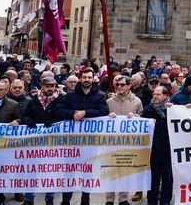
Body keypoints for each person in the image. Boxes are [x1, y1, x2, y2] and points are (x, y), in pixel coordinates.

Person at [54, 69, 108, 205]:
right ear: (80, 78)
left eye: (89, 77)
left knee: (88, 172)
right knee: (69, 172)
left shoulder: (100, 96)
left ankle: (85, 200)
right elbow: (58, 111)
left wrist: (85, 113)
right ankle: (66, 201)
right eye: (84, 77)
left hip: (90, 142)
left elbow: (104, 111)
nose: (87, 80)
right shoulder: (70, 96)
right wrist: (72, 114)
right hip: (71, 141)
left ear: (93, 79)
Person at [20, 77, 63, 205]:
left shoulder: (60, 99)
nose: (49, 88)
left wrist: (54, 122)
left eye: (52, 86)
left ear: (55, 87)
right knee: (32, 170)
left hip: (52, 142)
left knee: (50, 171)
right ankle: (29, 199)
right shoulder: (33, 100)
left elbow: (64, 116)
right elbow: (25, 116)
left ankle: (49, 198)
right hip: (35, 142)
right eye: (47, 86)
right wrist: (28, 121)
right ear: (42, 86)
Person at [106, 75, 143, 205]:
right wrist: (108, 116)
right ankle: (109, 199)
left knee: (125, 171)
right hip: (111, 142)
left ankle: (123, 198)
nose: (119, 87)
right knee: (110, 171)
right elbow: (102, 118)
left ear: (129, 85)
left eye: (122, 84)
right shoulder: (109, 101)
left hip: (128, 142)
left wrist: (135, 116)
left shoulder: (137, 101)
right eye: (117, 85)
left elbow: (142, 119)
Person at [141, 86, 172, 205]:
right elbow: (140, 125)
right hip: (153, 150)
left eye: (158, 94)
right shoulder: (148, 109)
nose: (155, 96)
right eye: (154, 94)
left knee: (167, 179)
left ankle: (165, 201)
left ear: (165, 95)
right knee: (153, 179)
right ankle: (152, 201)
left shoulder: (172, 109)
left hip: (167, 150)